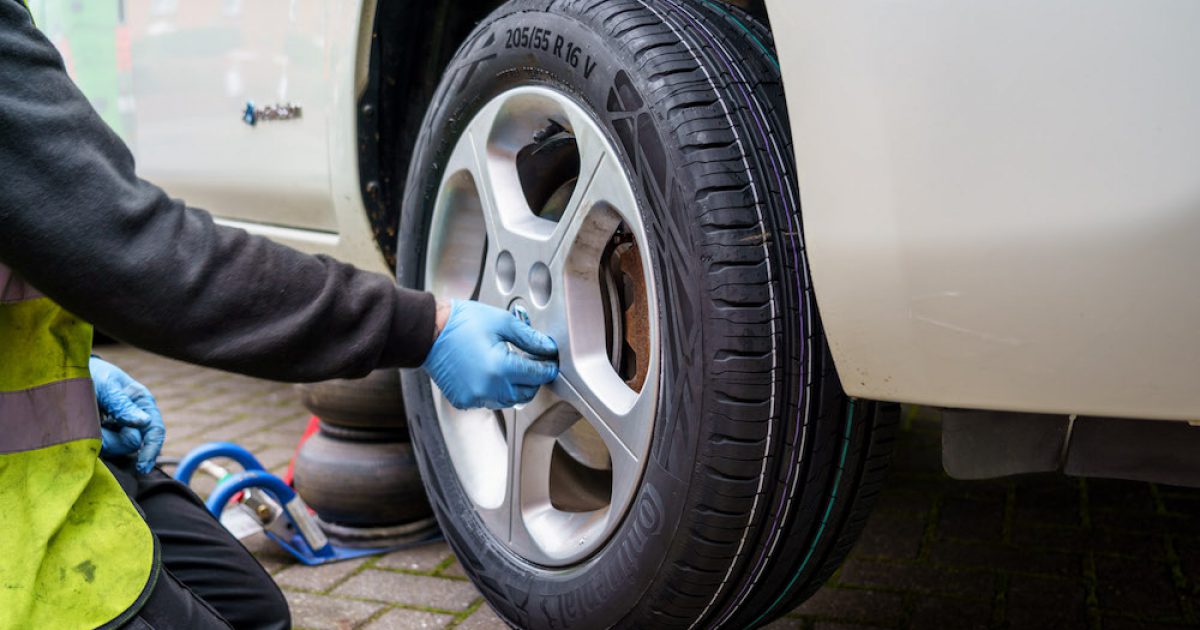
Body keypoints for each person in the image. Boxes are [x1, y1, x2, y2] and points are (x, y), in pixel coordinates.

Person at [0, 2, 558, 628]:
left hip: (49, 462)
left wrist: (82, 369)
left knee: (258, 611)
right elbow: (152, 262)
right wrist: (423, 327)